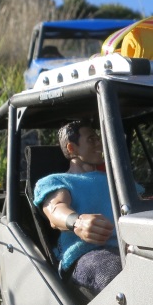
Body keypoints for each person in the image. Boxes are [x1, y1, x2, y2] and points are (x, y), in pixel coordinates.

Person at [33, 121, 121, 293]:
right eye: (91, 139)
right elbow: (55, 209)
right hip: (87, 254)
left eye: (98, 139)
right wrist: (77, 222)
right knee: (117, 271)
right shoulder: (56, 181)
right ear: (72, 148)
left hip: (125, 245)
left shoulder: (114, 178)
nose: (99, 143)